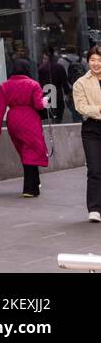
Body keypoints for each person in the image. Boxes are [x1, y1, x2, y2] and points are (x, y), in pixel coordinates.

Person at [0, 58, 50, 198]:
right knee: (32, 150)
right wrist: (45, 102)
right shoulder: (33, 84)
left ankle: (35, 182)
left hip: (13, 120)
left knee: (25, 151)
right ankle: (30, 189)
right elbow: (38, 105)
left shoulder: (4, 86)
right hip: (29, 119)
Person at [71, 46, 101, 222]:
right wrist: (99, 109)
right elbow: (81, 108)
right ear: (88, 61)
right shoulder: (80, 83)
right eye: (93, 60)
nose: (96, 63)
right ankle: (94, 209)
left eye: (99, 60)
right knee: (95, 169)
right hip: (91, 129)